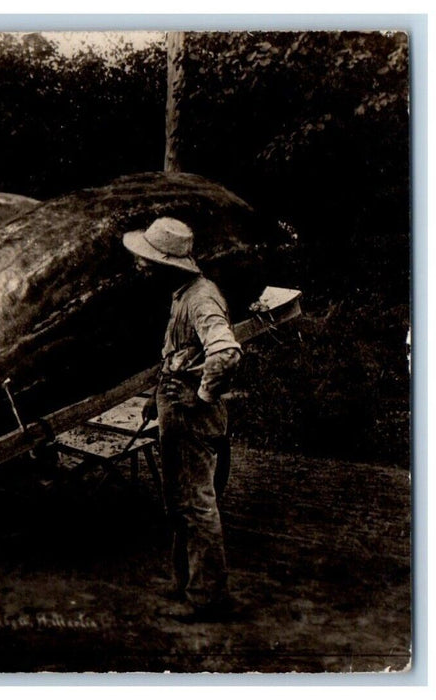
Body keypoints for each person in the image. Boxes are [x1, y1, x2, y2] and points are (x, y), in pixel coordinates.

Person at [122, 216, 242, 622]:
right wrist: (158, 399)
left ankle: (208, 598)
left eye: (147, 261)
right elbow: (179, 355)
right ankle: (186, 582)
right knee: (179, 502)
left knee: (198, 504)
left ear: (166, 264)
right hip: (176, 414)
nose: (141, 267)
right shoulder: (181, 294)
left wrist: (200, 394)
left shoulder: (201, 298)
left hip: (194, 420)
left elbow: (226, 353)